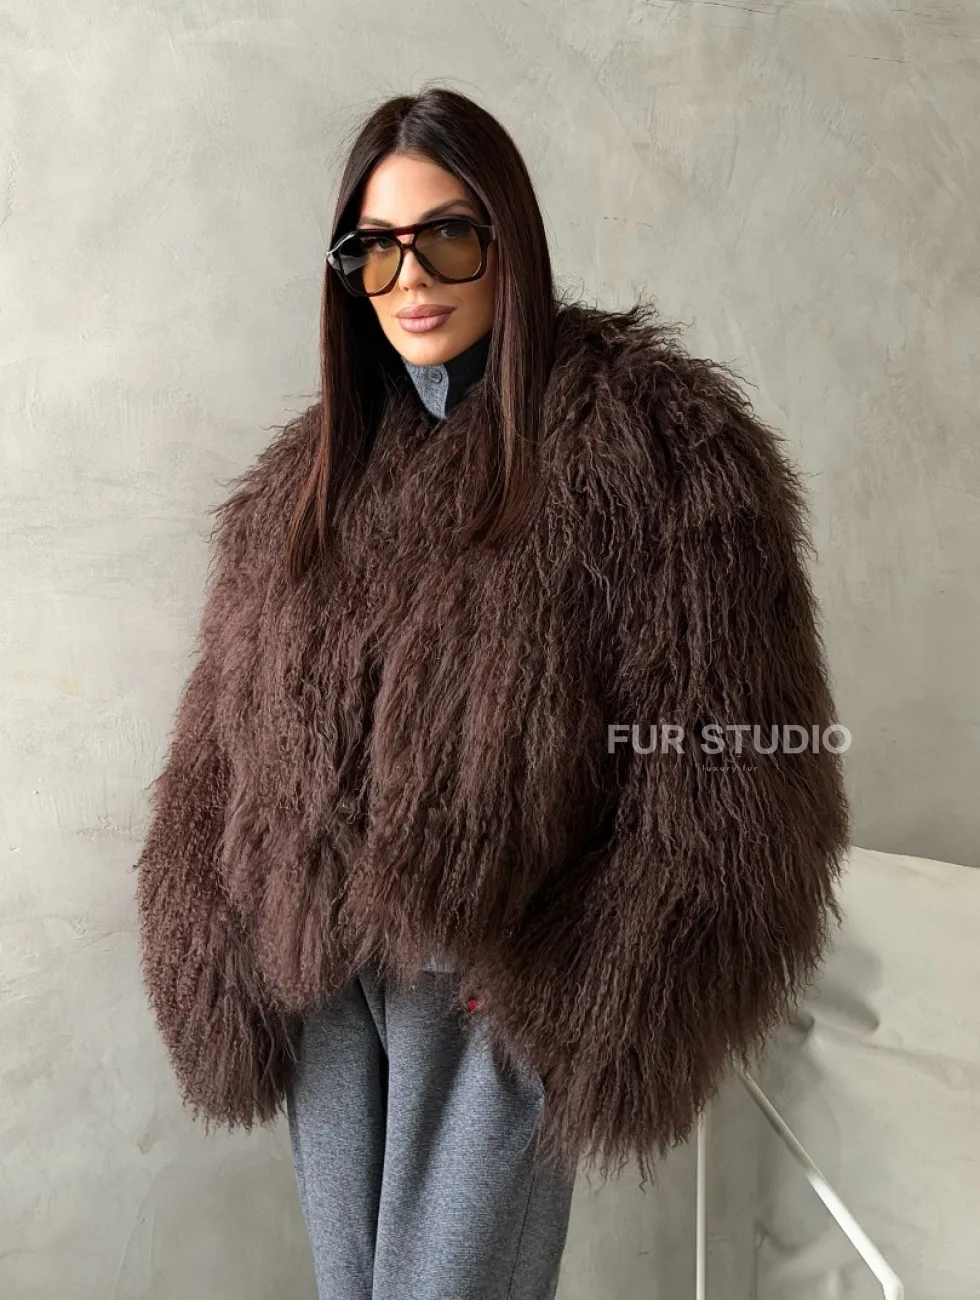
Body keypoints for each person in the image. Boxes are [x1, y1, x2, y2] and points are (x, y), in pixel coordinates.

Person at [134, 85, 850, 1300]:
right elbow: (221, 742)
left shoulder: (651, 448)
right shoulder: (304, 482)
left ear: (506, 237)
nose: (410, 277)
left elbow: (732, 761)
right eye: (374, 248)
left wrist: (579, 990)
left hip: (491, 983)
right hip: (322, 983)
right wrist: (222, 933)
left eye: (446, 235)